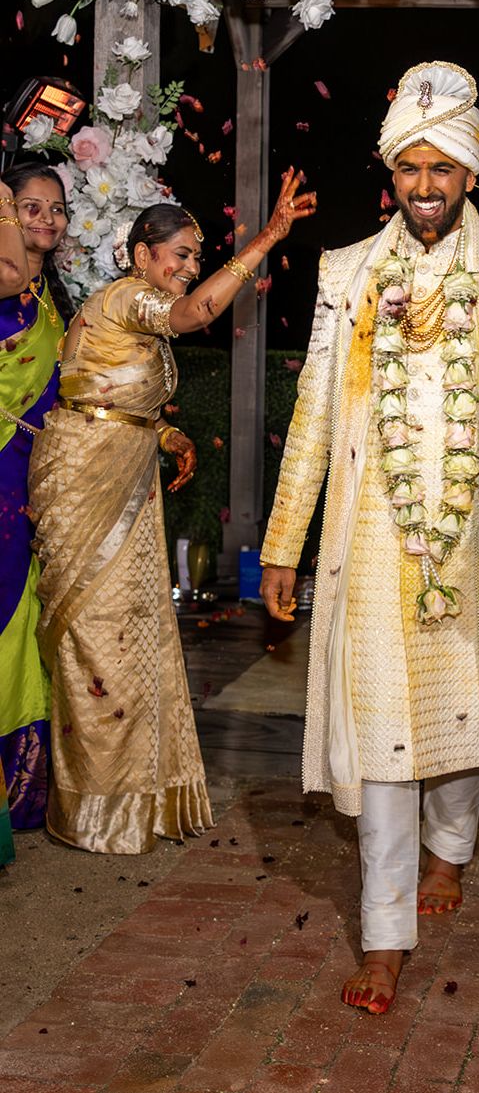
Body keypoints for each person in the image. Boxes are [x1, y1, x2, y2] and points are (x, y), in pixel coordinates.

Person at [259, 61, 479, 1017]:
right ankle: (387, 930)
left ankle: (452, 848)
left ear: (471, 174)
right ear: (389, 175)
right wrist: (281, 543)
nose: (425, 188)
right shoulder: (345, 272)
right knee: (385, 734)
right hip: (373, 533)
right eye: (409, 170)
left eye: (442, 170)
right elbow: (312, 411)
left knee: (462, 719)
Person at [27, 171, 316, 854]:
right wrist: (268, 238)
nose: (188, 267)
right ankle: (97, 805)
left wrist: (168, 434)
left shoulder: (136, 313)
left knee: (132, 635)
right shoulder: (133, 297)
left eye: (194, 255)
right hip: (85, 480)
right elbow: (194, 316)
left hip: (120, 471)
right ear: (139, 256)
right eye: (179, 255)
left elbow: (109, 392)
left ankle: (137, 794)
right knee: (97, 635)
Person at [0, 163, 71, 841]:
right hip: (0, 478)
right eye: (30, 206)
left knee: (30, 621)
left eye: (55, 209)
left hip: (40, 482)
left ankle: (23, 794)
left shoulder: (54, 292)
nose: (45, 219)